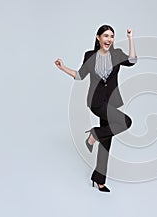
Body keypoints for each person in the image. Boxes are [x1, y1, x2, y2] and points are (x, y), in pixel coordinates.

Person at [54, 24, 137, 192]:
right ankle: (94, 134)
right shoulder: (89, 55)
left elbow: (133, 60)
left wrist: (130, 38)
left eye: (112, 36)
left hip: (112, 102)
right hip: (96, 101)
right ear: (98, 37)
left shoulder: (117, 54)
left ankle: (99, 179)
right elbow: (80, 76)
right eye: (106, 36)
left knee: (106, 141)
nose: (109, 39)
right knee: (126, 122)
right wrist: (62, 67)